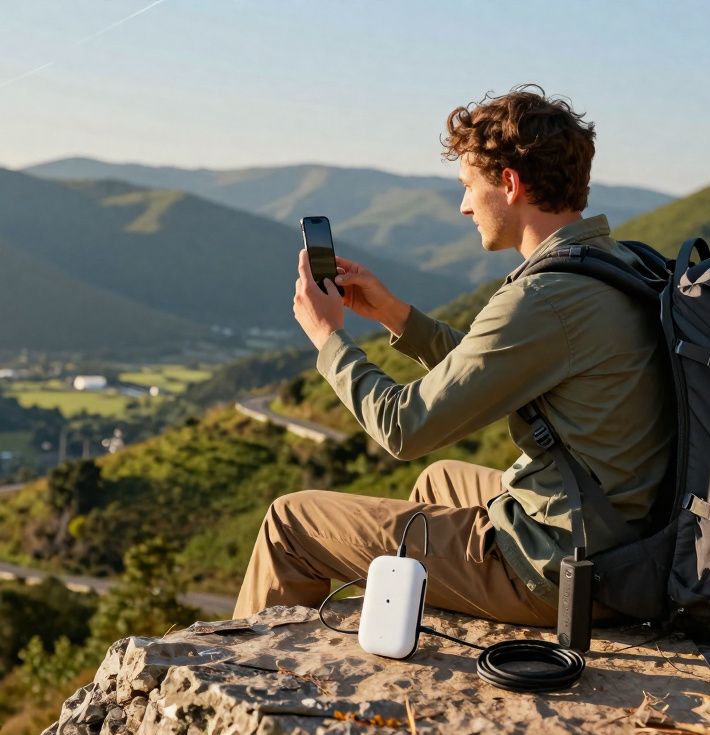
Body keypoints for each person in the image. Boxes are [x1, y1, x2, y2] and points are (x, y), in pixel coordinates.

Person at [233, 85, 675, 626]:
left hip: (567, 568)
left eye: (469, 186)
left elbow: (405, 428)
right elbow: (485, 369)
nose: (464, 205)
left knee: (290, 522)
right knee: (441, 480)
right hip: (626, 534)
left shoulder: (543, 299)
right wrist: (396, 316)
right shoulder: (618, 263)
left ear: (509, 184)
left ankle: (246, 674)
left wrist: (329, 340)